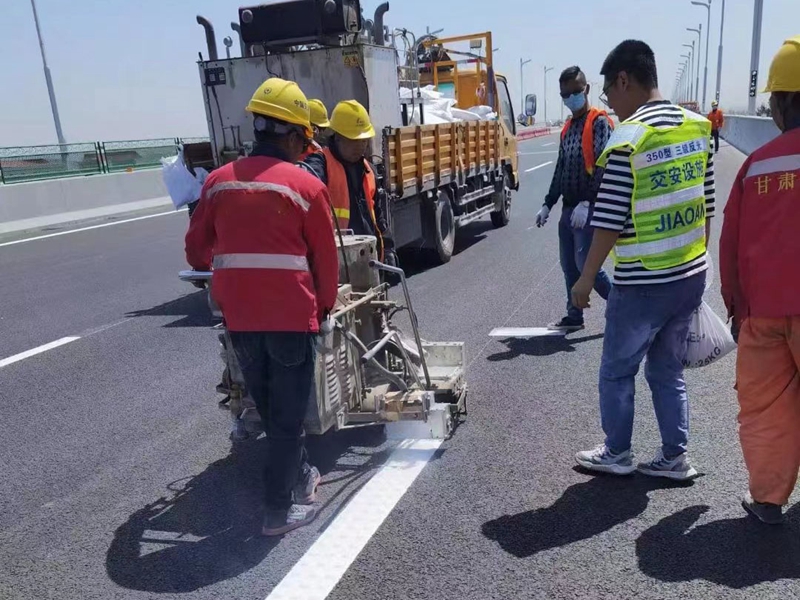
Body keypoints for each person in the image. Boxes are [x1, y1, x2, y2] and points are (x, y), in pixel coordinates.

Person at [185, 77, 339, 536]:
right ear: (292, 136)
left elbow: (196, 253)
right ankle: (278, 511)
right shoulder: (306, 186)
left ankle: (301, 474)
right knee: (288, 419)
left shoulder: (218, 183)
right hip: (292, 321)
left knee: (272, 412)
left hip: (241, 322)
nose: (305, 149)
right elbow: (325, 262)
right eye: (305, 141)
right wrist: (324, 308)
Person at [571, 40, 715, 480]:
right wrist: (697, 262)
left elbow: (609, 220)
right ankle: (675, 457)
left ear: (624, 80)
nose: (609, 104)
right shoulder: (697, 128)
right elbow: (706, 206)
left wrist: (585, 279)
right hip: (689, 275)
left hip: (642, 282)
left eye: (608, 93)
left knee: (617, 370)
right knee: (667, 370)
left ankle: (617, 452)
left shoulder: (629, 139)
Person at [720, 35, 800, 525]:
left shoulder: (757, 166)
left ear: (783, 103)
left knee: (767, 409)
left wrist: (736, 307)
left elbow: (730, 243)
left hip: (764, 312)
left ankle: (768, 501)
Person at [536, 66, 614, 332]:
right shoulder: (568, 128)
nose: (570, 98)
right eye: (565, 95)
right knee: (569, 266)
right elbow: (561, 169)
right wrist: (548, 204)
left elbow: (602, 164)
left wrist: (588, 202)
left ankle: (620, 306)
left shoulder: (599, 122)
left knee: (586, 265)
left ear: (586, 89)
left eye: (575, 92)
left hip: (588, 209)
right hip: (569, 209)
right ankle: (574, 316)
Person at [300, 100, 391, 261]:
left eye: (364, 140)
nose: (360, 146)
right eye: (354, 140)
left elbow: (379, 217)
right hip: (339, 262)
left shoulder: (368, 170)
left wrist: (389, 249)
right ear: (337, 137)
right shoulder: (320, 164)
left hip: (369, 259)